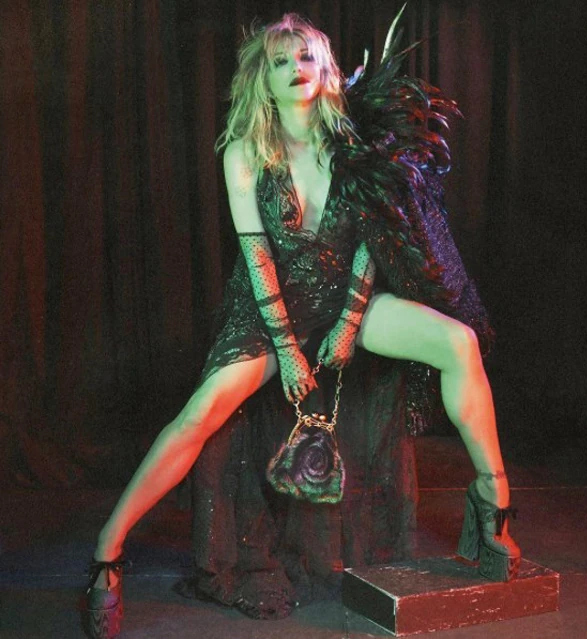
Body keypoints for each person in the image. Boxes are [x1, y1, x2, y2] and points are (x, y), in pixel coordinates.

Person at [83, 10, 520, 639]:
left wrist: (349, 320)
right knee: (200, 414)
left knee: (459, 342)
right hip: (270, 309)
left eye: (306, 56)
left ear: (326, 69)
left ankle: (492, 502)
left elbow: (371, 241)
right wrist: (287, 349)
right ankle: (108, 550)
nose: (295, 68)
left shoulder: (355, 143)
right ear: (262, 78)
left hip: (347, 299)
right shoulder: (245, 151)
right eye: (280, 61)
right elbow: (257, 256)